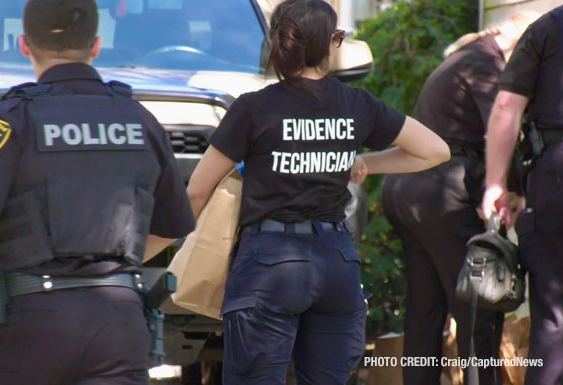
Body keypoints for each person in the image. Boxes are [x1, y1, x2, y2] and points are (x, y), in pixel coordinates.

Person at [0, 0, 195, 384]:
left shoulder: (10, 121)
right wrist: (109, 265)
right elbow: (171, 226)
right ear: (96, 46)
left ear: (25, 45)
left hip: (29, 324)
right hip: (118, 325)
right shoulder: (140, 120)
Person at [185, 1, 450, 384]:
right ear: (330, 45)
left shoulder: (253, 109)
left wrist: (158, 249)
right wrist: (364, 163)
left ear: (278, 44)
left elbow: (197, 191)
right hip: (335, 263)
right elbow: (435, 150)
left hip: (268, 265)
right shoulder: (357, 104)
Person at [380, 13, 537, 385]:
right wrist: (517, 187)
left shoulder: (460, 59)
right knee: (477, 307)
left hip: (406, 190)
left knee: (425, 310)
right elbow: (502, 128)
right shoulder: (487, 63)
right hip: (442, 194)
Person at [482, 2, 563, 384]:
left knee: (555, 313)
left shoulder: (549, 26)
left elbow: (507, 107)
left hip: (559, 171)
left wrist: (495, 183)